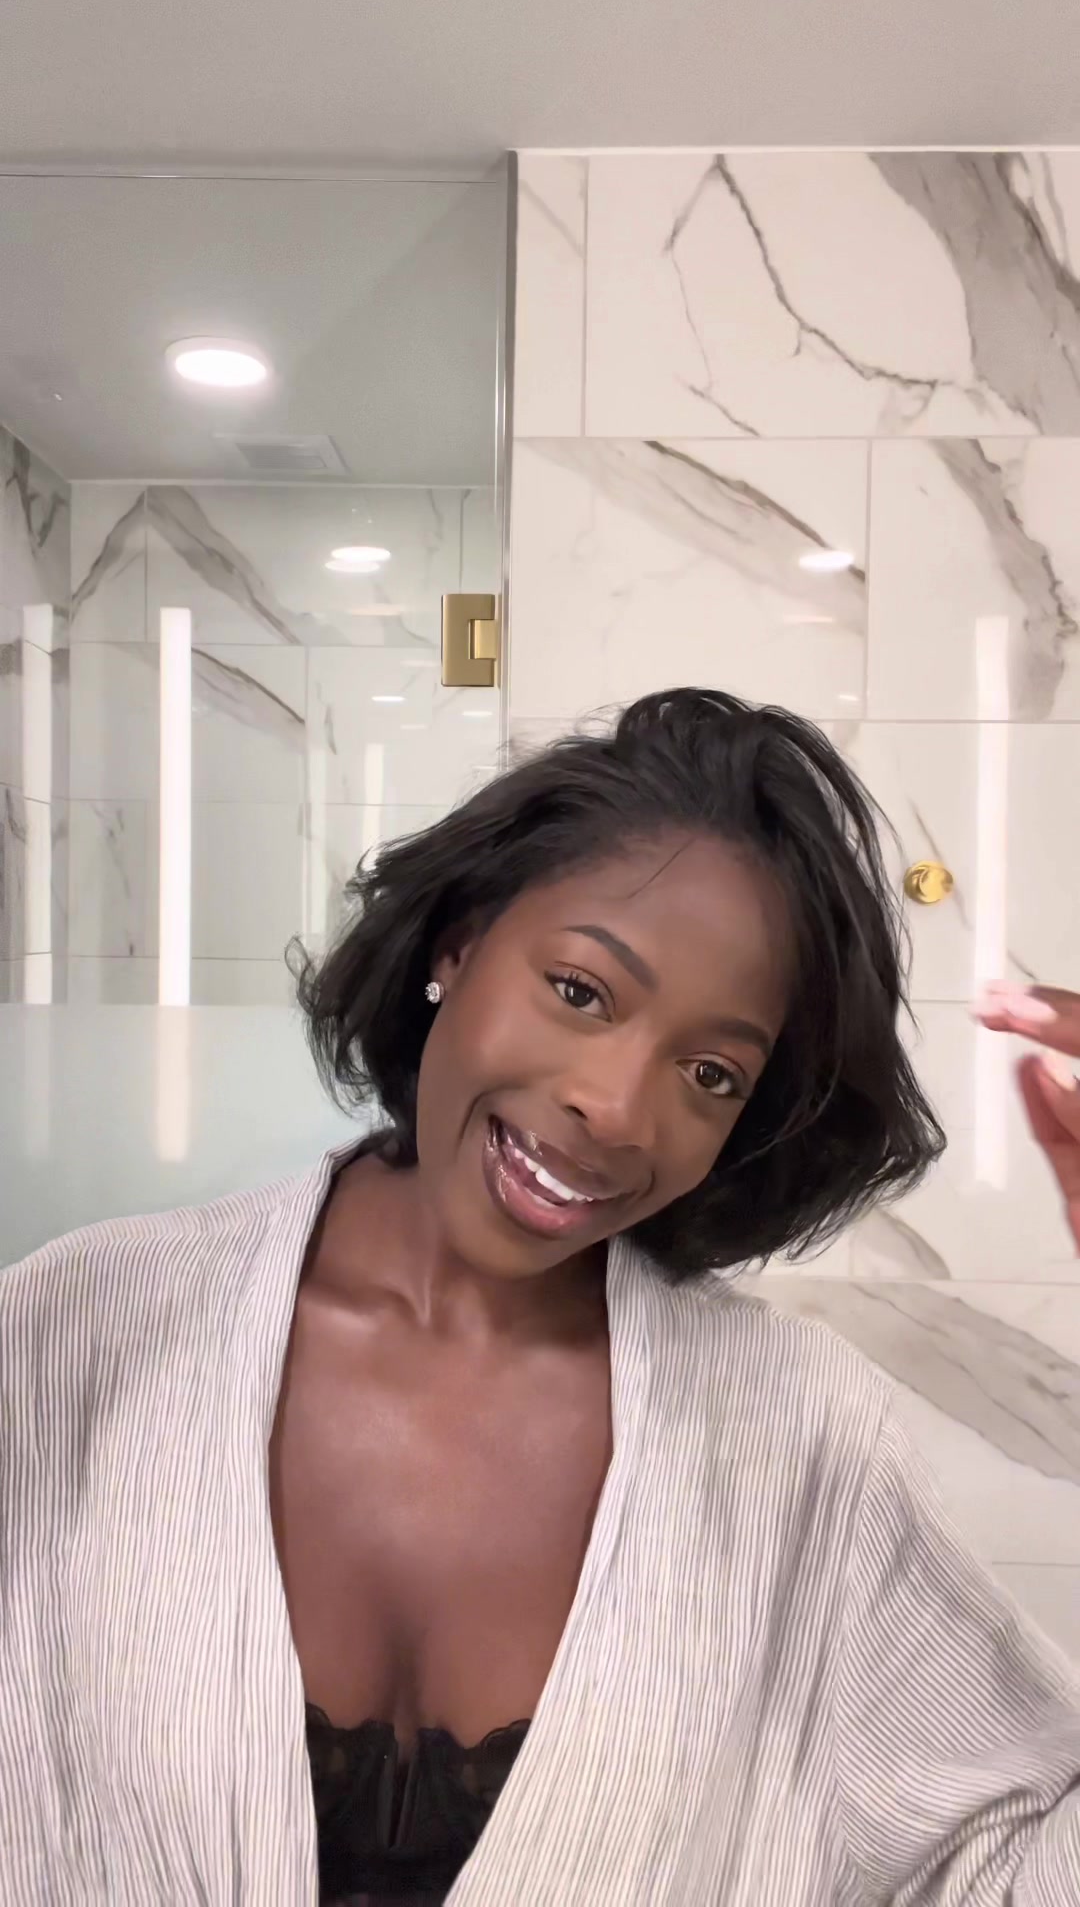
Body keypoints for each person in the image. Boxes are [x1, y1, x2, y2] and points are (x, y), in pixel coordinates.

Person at [1, 687, 1078, 1906]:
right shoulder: (77, 1334)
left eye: (710, 1072)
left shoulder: (796, 1439)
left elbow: (1014, 1863)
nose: (616, 1110)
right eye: (580, 991)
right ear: (457, 946)